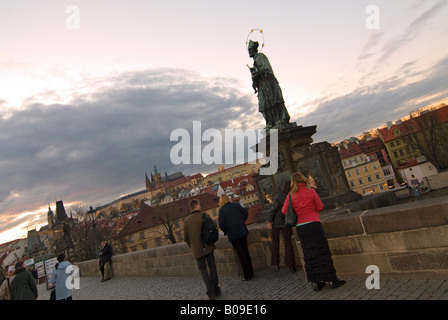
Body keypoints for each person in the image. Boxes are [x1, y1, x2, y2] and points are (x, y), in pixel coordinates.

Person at [282, 172, 346, 291]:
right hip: (314, 224)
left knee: (309, 254)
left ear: (293, 182)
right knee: (322, 252)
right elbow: (320, 207)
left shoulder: (290, 195)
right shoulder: (310, 190)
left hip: (301, 227)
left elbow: (284, 210)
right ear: (303, 179)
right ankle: (331, 280)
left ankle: (316, 282)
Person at [183, 199, 221, 300]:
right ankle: (216, 289)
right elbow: (214, 225)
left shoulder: (186, 221)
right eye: (199, 205)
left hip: (197, 250)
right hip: (208, 246)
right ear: (196, 206)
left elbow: (185, 238)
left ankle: (211, 292)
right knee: (212, 266)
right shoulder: (204, 215)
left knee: (203, 270)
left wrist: (193, 245)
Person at [218, 194, 254, 281]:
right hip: (242, 231)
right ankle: (251, 272)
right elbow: (245, 213)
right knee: (246, 252)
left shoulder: (222, 210)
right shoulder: (236, 205)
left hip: (233, 235)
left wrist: (227, 231)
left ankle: (247, 275)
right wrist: (242, 221)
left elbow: (221, 224)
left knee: (241, 255)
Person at [267, 181, 297, 273]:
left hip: (276, 223)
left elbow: (273, 210)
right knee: (288, 244)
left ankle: (276, 265)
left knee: (275, 244)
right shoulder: (292, 196)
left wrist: (270, 221)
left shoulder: (279, 196)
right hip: (286, 222)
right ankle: (291, 265)